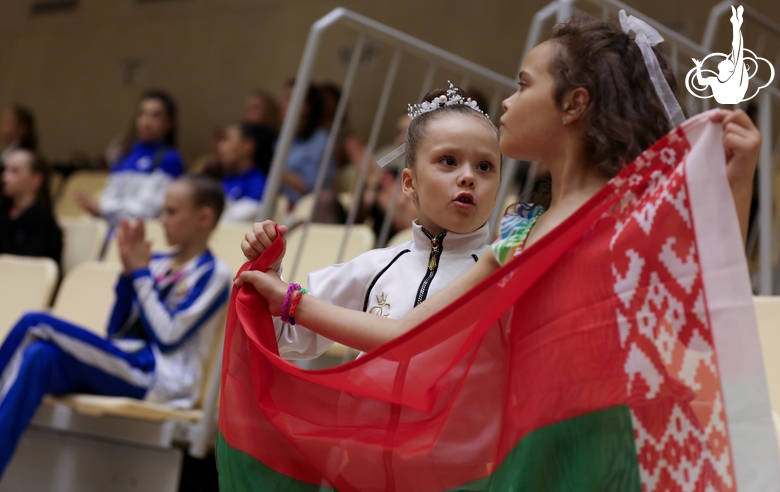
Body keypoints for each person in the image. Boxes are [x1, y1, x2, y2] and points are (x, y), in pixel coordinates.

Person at [236, 14, 761, 354]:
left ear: (574, 105)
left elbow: (712, 298)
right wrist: (289, 299)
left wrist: (736, 183)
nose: (507, 102)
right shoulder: (520, 230)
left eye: (523, 85)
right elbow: (406, 335)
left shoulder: (630, 210)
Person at [240, 85, 500, 359]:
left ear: (496, 193)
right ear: (410, 183)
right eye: (449, 161)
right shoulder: (373, 268)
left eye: (485, 166)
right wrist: (270, 271)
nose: (468, 177)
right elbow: (285, 337)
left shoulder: (502, 275)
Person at [0, 175, 232, 477]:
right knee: (38, 356)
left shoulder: (215, 273)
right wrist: (127, 276)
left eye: (172, 212)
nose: (162, 220)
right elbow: (117, 332)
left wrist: (139, 275)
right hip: (126, 360)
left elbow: (169, 335)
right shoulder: (156, 262)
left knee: (35, 323)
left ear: (204, 217)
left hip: (160, 378)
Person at [77, 90, 185, 227]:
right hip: (112, 230)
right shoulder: (124, 154)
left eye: (155, 115)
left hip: (142, 233)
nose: (147, 120)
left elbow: (149, 211)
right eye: (142, 113)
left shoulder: (170, 159)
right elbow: (110, 196)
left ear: (170, 123)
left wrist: (103, 209)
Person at [0, 149, 62, 266]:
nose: (4, 177)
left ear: (36, 179)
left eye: (14, 171)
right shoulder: (4, 213)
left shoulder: (42, 219)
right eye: (5, 170)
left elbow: (33, 266)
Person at [278, 80, 331, 204]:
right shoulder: (282, 138)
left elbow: (309, 187)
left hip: (305, 209)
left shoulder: (320, 141)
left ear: (306, 107)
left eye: (289, 99)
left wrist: (270, 169)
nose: (282, 105)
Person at [216, 123, 268, 223]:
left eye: (227, 139)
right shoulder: (224, 178)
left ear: (247, 146)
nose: (220, 146)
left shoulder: (258, 184)